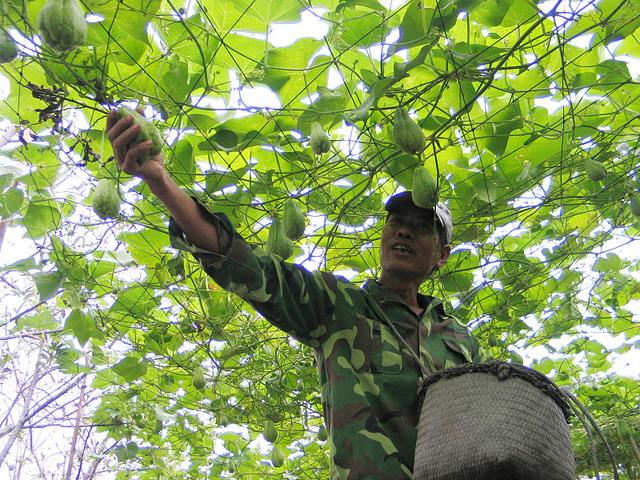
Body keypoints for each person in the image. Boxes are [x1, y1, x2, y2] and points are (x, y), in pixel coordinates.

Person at [107, 110, 482, 479]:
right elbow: (247, 268)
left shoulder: (460, 339)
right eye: (396, 223)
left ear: (442, 255)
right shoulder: (337, 304)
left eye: (421, 227)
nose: (404, 232)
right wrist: (161, 183)